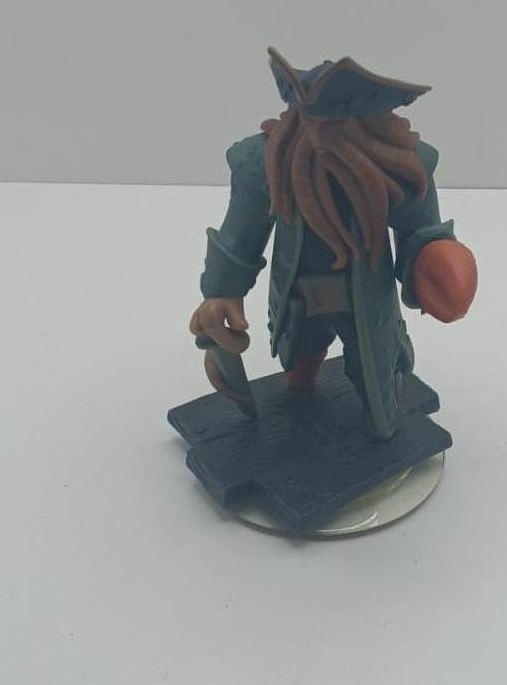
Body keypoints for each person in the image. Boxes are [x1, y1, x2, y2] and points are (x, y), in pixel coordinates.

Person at [190, 48, 477, 440]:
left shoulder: (399, 169)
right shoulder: (267, 166)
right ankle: (302, 390)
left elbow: (419, 231)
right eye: (313, 118)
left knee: (375, 380)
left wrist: (435, 259)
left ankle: (378, 422)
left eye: (339, 120)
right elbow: (241, 233)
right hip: (298, 295)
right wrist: (222, 292)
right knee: (300, 362)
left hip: (365, 302)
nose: (324, 130)